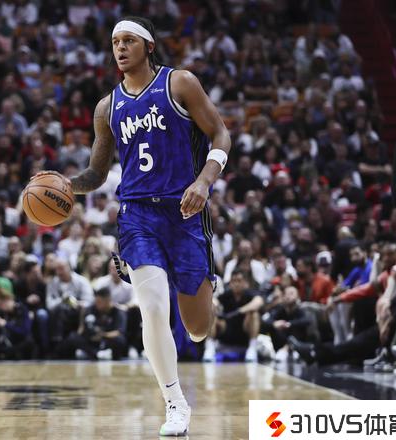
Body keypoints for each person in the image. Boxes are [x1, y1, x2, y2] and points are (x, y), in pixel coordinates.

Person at [35, 16, 231, 436]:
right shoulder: (107, 107)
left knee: (197, 329)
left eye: (128, 40)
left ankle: (205, 294)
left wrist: (203, 181)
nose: (120, 48)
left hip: (185, 212)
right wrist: (65, 185)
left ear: (149, 46)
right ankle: (175, 402)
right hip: (137, 216)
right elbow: (96, 173)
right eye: (115, 42)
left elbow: (220, 134)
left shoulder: (179, 83)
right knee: (153, 306)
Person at [203, 269, 263, 362]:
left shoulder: (250, 293)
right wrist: (214, 305)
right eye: (233, 281)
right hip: (227, 329)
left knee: (254, 314)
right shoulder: (227, 294)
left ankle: (252, 348)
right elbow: (215, 301)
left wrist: (239, 311)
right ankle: (209, 347)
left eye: (239, 281)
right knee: (212, 312)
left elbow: (259, 301)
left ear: (245, 283)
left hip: (244, 330)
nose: (236, 284)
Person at [56, 287, 128, 360]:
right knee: (73, 337)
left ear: (108, 301)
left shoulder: (118, 312)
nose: (97, 304)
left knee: (119, 340)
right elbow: (83, 328)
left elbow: (119, 332)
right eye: (96, 301)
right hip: (92, 340)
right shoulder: (91, 309)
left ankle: (109, 355)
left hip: (107, 339)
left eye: (99, 302)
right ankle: (95, 354)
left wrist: (103, 335)